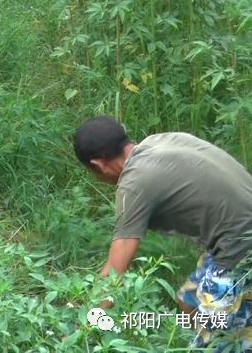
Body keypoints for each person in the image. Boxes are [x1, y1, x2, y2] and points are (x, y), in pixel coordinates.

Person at [74, 116, 252, 351]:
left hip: (239, 249)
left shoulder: (135, 184)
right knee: (188, 302)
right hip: (232, 240)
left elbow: (115, 272)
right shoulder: (160, 141)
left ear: (98, 165)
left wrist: (84, 331)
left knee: (210, 343)